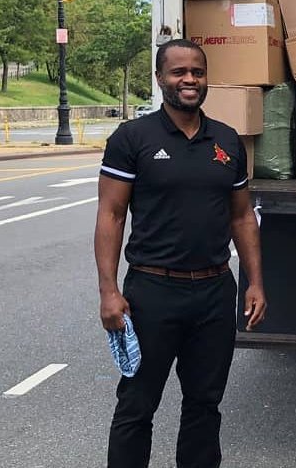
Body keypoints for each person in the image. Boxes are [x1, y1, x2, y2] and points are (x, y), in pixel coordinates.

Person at [95, 38, 267, 468]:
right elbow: (112, 215)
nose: (189, 79)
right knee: (137, 405)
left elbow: (242, 217)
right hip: (152, 291)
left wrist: (255, 282)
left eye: (197, 72)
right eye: (178, 72)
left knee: (205, 405)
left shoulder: (225, 141)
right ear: (159, 79)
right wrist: (108, 292)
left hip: (213, 292)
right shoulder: (132, 138)